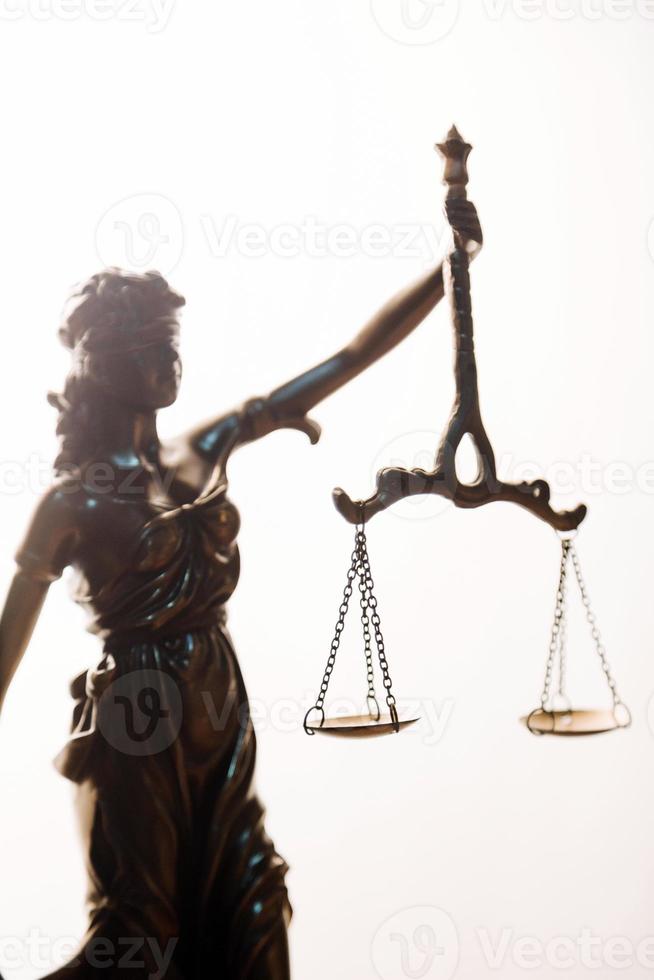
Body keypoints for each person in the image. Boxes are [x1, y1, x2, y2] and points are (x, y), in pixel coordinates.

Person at [0, 198, 482, 979]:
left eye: (175, 347)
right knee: (141, 939)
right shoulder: (71, 502)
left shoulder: (207, 445)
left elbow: (352, 353)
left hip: (218, 704)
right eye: (151, 348)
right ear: (99, 361)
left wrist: (453, 267)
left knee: (253, 902)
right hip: (136, 718)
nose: (170, 364)